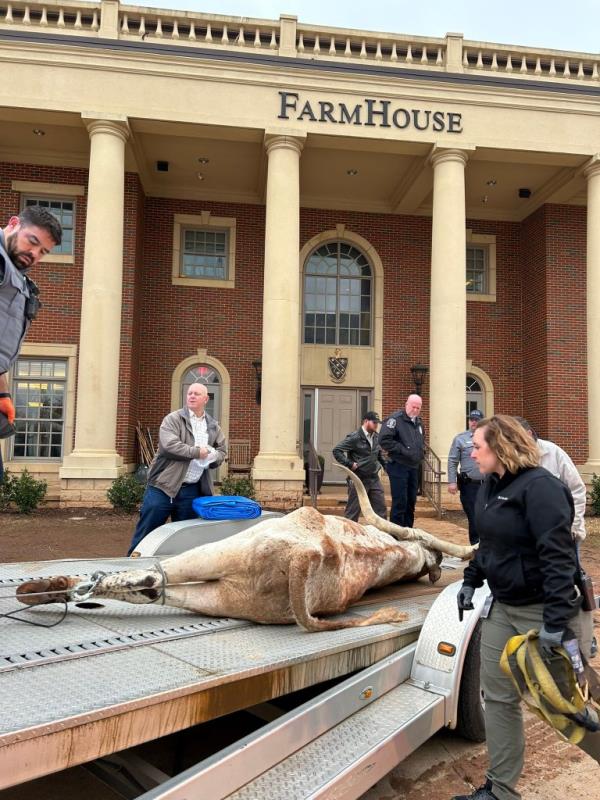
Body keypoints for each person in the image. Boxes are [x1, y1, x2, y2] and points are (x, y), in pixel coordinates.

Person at [453, 414, 600, 800]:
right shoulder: (488, 485)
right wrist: (471, 582)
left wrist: (555, 623)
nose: (472, 451)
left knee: (564, 704)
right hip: (503, 607)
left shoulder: (542, 488)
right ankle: (501, 790)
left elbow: (559, 559)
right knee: (498, 695)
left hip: (544, 611)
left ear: (500, 447)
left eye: (478, 445)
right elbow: (488, 544)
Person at [516, 416, 594, 658]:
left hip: (562, 535)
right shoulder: (514, 457)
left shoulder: (553, 453)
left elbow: (577, 489)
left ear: (529, 434)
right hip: (530, 538)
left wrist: (573, 527)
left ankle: (584, 637)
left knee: (571, 583)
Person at [0, 207, 63, 481]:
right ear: (13, 224)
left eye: (43, 252)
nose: (35, 254)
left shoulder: (15, 272)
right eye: (32, 242)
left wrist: (2, 394)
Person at [127, 383, 227, 555]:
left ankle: (172, 574)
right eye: (190, 393)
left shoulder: (213, 426)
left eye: (197, 394)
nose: (192, 396)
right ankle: (131, 568)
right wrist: (198, 452)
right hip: (163, 487)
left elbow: (222, 452)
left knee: (183, 538)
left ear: (206, 398)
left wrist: (213, 456)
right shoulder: (173, 419)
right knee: (147, 532)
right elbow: (169, 446)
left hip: (192, 491)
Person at [379, 394, 425, 527]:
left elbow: (421, 441)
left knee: (411, 501)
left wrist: (421, 452)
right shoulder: (395, 420)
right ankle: (396, 535)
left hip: (414, 467)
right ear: (407, 405)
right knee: (400, 502)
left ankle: (408, 532)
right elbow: (384, 440)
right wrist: (403, 450)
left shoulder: (419, 422)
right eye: (413, 406)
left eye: (418, 407)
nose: (415, 410)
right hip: (399, 466)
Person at [332, 410, 387, 522]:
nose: (376, 425)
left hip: (374, 478)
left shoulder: (376, 437)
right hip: (358, 479)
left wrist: (388, 469)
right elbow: (337, 450)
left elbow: (379, 456)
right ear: (366, 421)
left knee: (381, 509)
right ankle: (348, 536)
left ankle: (381, 536)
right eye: (374, 422)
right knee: (353, 511)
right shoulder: (355, 437)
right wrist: (350, 464)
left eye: (377, 423)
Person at [447, 409, 485, 544]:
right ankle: (475, 548)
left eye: (477, 420)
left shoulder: (489, 438)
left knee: (487, 517)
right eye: (471, 419)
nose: (474, 422)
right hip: (469, 485)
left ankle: (487, 547)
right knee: (474, 517)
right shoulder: (460, 439)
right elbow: (452, 461)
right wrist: (452, 482)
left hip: (488, 484)